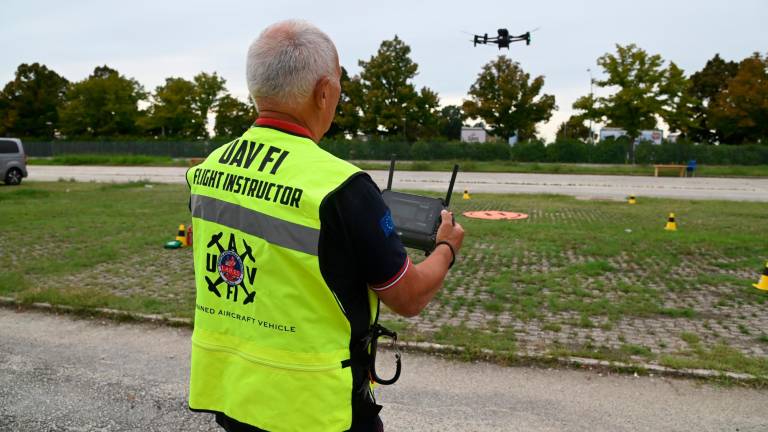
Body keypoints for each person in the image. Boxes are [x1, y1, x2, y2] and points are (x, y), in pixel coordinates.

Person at [186, 20, 464, 432]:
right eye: (338, 86)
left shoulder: (207, 170)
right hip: (315, 407)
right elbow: (407, 297)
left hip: (233, 393)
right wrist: (447, 248)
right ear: (323, 91)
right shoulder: (343, 187)